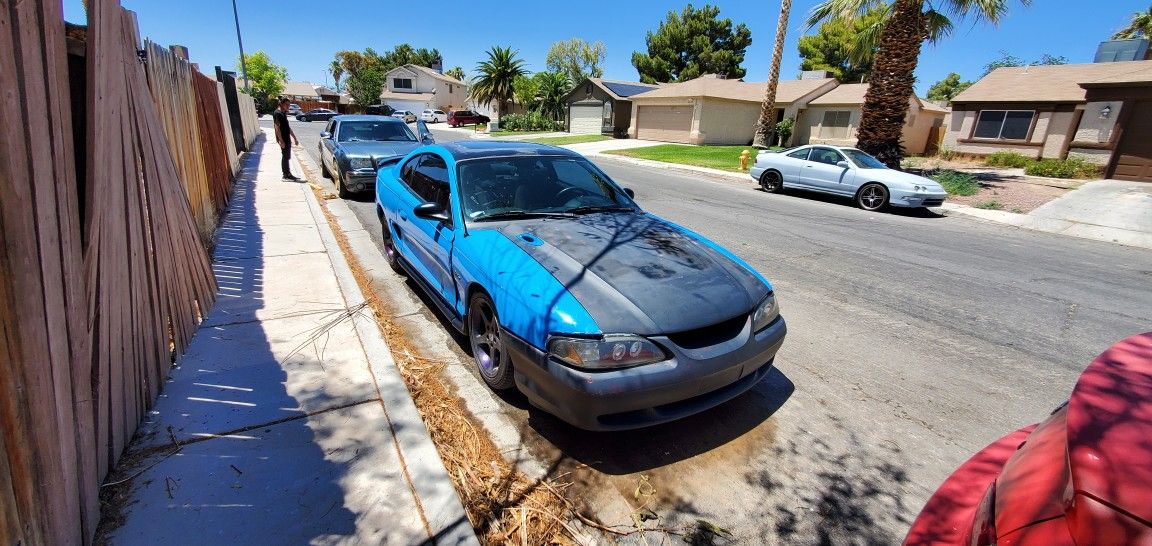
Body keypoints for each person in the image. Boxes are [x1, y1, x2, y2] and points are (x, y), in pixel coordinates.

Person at [272, 97, 299, 180]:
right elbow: (277, 128)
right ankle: (286, 174)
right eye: (287, 105)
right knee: (285, 156)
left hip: (286, 138)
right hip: (283, 138)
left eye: (289, 105)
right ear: (282, 104)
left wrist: (294, 137)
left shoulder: (283, 113)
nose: (288, 106)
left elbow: (287, 127)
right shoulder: (277, 113)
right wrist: (281, 141)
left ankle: (288, 173)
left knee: (287, 156)